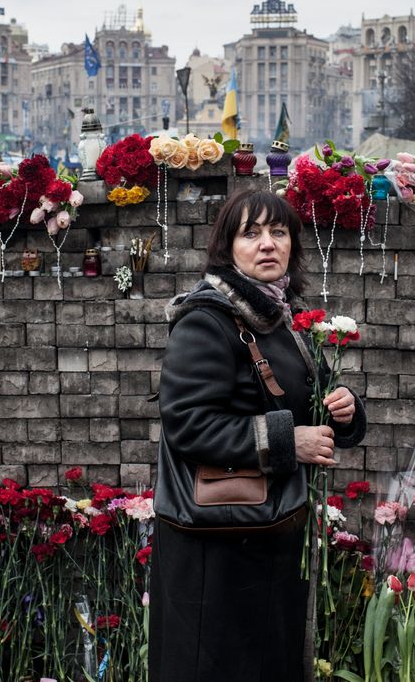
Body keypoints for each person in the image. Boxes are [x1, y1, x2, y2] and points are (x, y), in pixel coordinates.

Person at [149, 188, 367, 681]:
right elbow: (188, 425)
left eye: (278, 231)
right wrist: (293, 442)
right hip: (215, 548)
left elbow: (311, 404)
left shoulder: (282, 319)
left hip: (267, 535)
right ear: (227, 249)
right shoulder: (207, 322)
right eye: (251, 233)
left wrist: (345, 411)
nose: (267, 243)